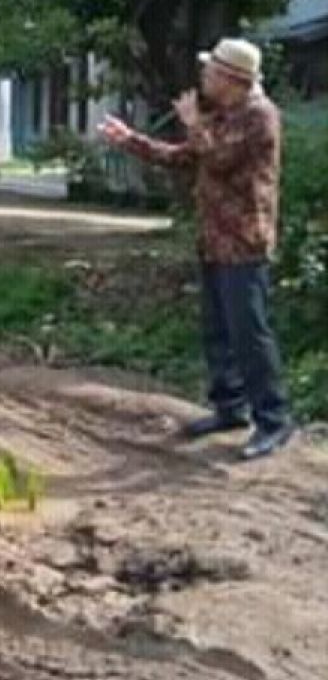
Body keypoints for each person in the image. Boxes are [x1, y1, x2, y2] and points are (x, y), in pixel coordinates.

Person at [98, 38, 295, 460]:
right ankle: (231, 408)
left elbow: (219, 158)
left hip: (243, 242)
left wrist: (192, 121)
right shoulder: (223, 116)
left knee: (250, 335)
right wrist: (131, 140)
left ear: (231, 79)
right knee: (218, 332)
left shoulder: (260, 116)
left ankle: (274, 420)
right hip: (214, 239)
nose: (203, 78)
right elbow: (187, 157)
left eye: (210, 72)